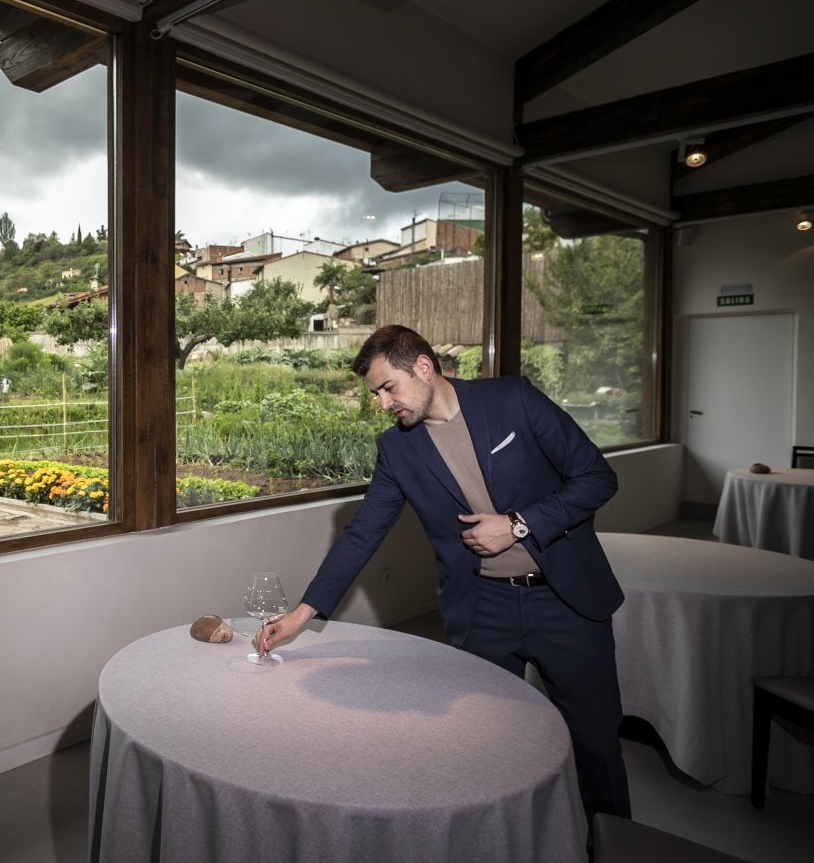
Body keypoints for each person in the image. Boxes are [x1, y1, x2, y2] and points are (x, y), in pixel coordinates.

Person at [260, 324, 631, 827]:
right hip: (481, 610)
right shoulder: (397, 450)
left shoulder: (513, 400)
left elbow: (596, 478)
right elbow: (363, 532)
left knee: (595, 746)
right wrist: (302, 615)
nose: (384, 403)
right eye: (375, 394)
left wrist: (519, 526)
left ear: (423, 366)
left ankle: (610, 851)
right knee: (486, 748)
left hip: (566, 601)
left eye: (388, 387)